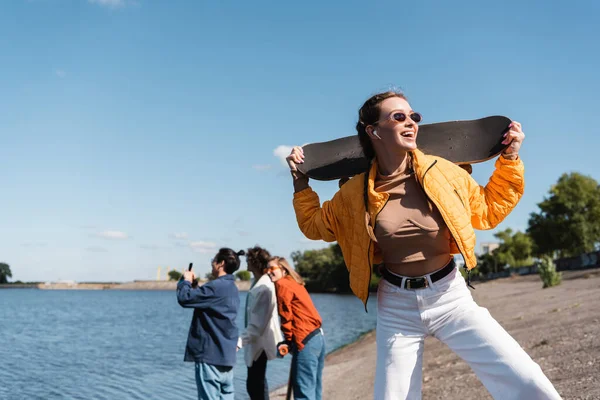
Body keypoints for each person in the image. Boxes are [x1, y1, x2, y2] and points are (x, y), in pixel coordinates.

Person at [285, 91, 562, 400]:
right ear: (373, 131)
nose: (411, 122)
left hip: (450, 297)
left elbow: (488, 209)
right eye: (398, 116)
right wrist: (300, 181)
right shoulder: (354, 193)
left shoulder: (443, 172)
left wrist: (509, 158)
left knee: (526, 380)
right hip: (396, 306)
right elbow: (315, 225)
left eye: (414, 117)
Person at [177, 248, 244, 400]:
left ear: (221, 264)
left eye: (213, 261)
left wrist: (185, 281)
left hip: (210, 355)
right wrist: (194, 285)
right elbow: (205, 300)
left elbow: (185, 298)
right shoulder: (231, 288)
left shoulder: (216, 286)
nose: (211, 265)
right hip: (226, 356)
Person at [266, 256, 325, 400]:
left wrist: (288, 340)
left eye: (271, 268)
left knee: (303, 392)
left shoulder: (282, 284)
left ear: (283, 269)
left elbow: (286, 315)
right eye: (266, 269)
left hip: (305, 340)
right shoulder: (294, 282)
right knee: (314, 388)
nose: (268, 272)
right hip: (318, 337)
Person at [237, 246, 283, 400]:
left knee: (255, 385)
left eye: (249, 259)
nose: (246, 262)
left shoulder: (264, 287)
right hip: (256, 341)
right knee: (256, 383)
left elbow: (258, 323)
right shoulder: (257, 282)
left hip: (260, 342)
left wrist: (239, 342)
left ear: (255, 262)